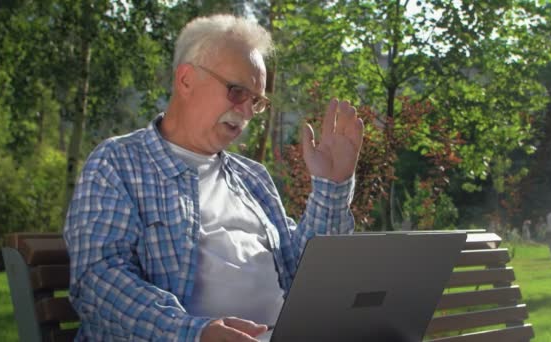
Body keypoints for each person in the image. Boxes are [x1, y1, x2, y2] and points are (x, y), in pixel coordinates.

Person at [64, 14, 364, 342]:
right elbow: (99, 282)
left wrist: (332, 187)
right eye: (237, 92)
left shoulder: (253, 178)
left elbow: (303, 274)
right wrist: (195, 334)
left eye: (257, 101)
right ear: (186, 80)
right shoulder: (118, 164)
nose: (248, 112)